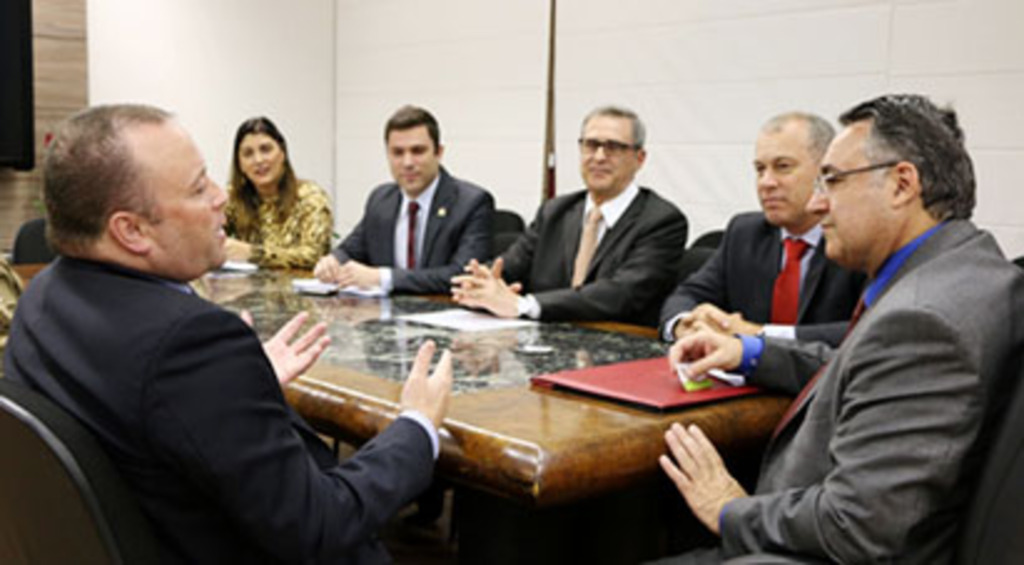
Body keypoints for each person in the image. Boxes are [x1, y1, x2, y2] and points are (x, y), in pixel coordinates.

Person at [5, 104, 454, 564]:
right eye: (199, 187)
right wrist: (415, 427)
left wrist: (239, 387)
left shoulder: (41, 297)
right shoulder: (189, 341)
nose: (221, 196)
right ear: (132, 230)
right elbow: (320, 525)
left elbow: (150, 414)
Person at [658, 94, 1024, 563]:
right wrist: (748, 352)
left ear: (901, 184)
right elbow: (874, 372)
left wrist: (730, 509)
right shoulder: (971, 269)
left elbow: (857, 526)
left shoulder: (922, 320)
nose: (816, 202)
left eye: (831, 180)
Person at [452, 106, 688, 327]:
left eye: (613, 147)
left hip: (616, 347)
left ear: (639, 158)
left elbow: (621, 294)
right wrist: (480, 283)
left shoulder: (662, 221)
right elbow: (510, 265)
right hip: (543, 344)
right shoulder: (555, 210)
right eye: (591, 144)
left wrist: (523, 305)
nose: (598, 156)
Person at [659, 112, 864, 347]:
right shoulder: (744, 232)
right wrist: (686, 324)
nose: (766, 182)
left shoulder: (857, 238)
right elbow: (687, 295)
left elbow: (867, 331)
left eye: (783, 167)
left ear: (825, 171)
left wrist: (758, 334)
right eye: (760, 169)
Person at [314, 105, 494, 294]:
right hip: (381, 318)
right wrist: (332, 261)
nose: (407, 163)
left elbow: (462, 276)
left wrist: (383, 278)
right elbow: (350, 250)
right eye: (397, 153)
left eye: (417, 151)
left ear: (439, 152)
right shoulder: (380, 199)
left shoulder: (472, 202)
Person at [223, 116, 333, 269]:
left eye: (266, 150)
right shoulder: (234, 198)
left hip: (299, 289)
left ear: (282, 154)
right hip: (247, 289)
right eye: (248, 154)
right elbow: (206, 239)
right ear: (240, 165)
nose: (259, 160)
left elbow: (314, 255)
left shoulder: (310, 197)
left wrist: (254, 254)